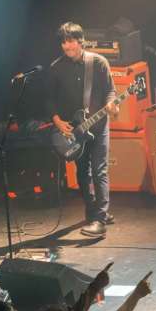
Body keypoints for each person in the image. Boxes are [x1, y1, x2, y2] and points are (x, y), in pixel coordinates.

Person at [47, 21, 117, 238]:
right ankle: (92, 210)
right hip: (75, 128)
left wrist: (112, 104)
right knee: (82, 173)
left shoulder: (98, 62)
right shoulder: (56, 67)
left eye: (71, 44)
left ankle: (100, 219)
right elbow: (49, 100)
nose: (67, 49)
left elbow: (110, 91)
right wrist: (57, 121)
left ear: (81, 41)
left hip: (98, 125)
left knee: (99, 170)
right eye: (64, 45)